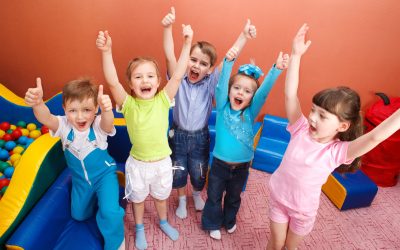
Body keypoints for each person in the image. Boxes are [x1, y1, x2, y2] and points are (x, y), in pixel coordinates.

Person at [267, 23, 400, 250]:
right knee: (275, 244)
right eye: (313, 110)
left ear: (342, 125)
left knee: (289, 248)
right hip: (278, 198)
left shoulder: (337, 151)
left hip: (303, 211)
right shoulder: (299, 128)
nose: (313, 119)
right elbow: (290, 94)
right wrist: (296, 55)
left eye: (323, 116)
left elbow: (374, 138)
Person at [96, 23, 193, 250]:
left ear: (158, 82)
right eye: (138, 77)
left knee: (161, 198)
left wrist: (187, 44)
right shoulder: (128, 104)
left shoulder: (163, 100)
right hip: (137, 164)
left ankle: (163, 221)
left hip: (161, 163)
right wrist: (106, 52)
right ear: (131, 84)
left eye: (150, 76)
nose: (145, 80)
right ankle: (139, 227)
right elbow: (112, 81)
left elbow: (178, 76)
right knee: (137, 200)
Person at [162, 6, 259, 219]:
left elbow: (227, 61)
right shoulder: (179, 79)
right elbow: (169, 55)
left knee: (198, 170)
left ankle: (196, 193)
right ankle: (181, 199)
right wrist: (167, 28)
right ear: (186, 60)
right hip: (177, 134)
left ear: (209, 69)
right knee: (178, 170)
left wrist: (243, 37)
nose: (197, 66)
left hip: (200, 136)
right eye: (193, 60)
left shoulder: (210, 83)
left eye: (203, 64)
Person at [201, 32, 289, 239]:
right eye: (237, 88)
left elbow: (264, 92)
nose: (240, 93)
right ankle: (212, 222)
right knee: (213, 196)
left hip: (241, 167)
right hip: (220, 165)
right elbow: (221, 85)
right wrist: (229, 62)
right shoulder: (222, 108)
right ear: (230, 91)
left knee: (233, 197)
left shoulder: (249, 113)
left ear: (252, 98)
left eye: (247, 91)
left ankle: (229, 220)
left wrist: (276, 70)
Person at [24, 78, 125, 250]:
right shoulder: (63, 125)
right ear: (64, 110)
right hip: (80, 182)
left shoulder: (98, 124)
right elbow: (45, 117)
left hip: (104, 177)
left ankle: (116, 241)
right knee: (78, 215)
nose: (80, 117)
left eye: (86, 110)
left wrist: (107, 110)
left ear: (95, 110)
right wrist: (38, 103)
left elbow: (108, 125)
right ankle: (97, 199)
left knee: (109, 212)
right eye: (73, 110)